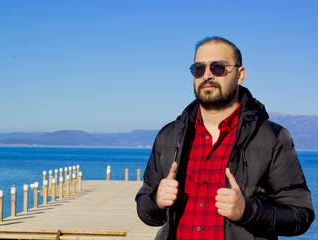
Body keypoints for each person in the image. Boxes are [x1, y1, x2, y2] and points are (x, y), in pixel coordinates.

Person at [135, 36, 315, 240]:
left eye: (218, 67)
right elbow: (145, 211)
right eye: (199, 69)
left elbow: (301, 215)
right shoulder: (169, 136)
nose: (207, 75)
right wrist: (156, 200)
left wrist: (248, 211)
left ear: (240, 75)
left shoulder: (273, 138)